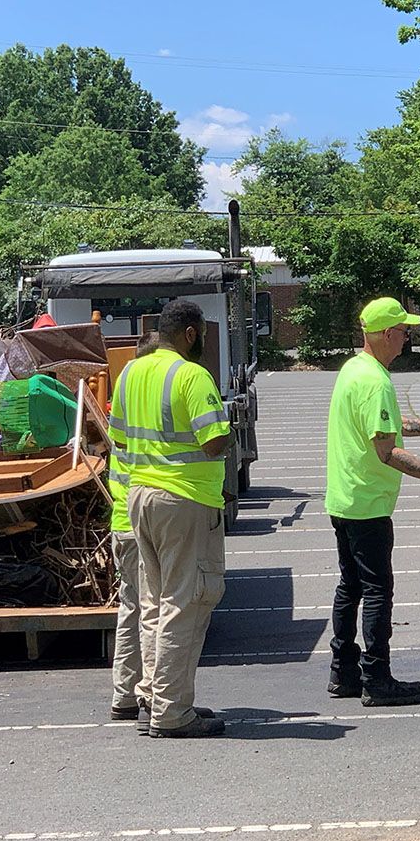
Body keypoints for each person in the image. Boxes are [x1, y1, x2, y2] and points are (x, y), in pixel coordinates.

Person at [326, 296, 420, 707]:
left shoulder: (355, 370)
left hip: (344, 499)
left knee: (351, 585)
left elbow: (388, 423)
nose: (407, 338)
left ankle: (343, 671)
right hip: (368, 502)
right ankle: (377, 678)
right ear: (386, 334)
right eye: (404, 331)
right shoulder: (375, 381)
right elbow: (386, 450)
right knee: (377, 589)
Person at [112, 299, 231, 738]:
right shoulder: (191, 375)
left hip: (139, 497)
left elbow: (120, 440)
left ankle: (151, 699)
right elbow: (214, 441)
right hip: (184, 499)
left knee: (154, 604)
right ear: (191, 333)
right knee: (186, 603)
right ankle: (171, 711)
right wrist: (229, 422)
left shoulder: (130, 372)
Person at [107, 331, 159, 722]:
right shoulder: (148, 418)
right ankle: (150, 695)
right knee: (151, 611)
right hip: (139, 524)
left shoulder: (124, 412)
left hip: (120, 523)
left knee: (130, 608)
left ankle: (123, 694)